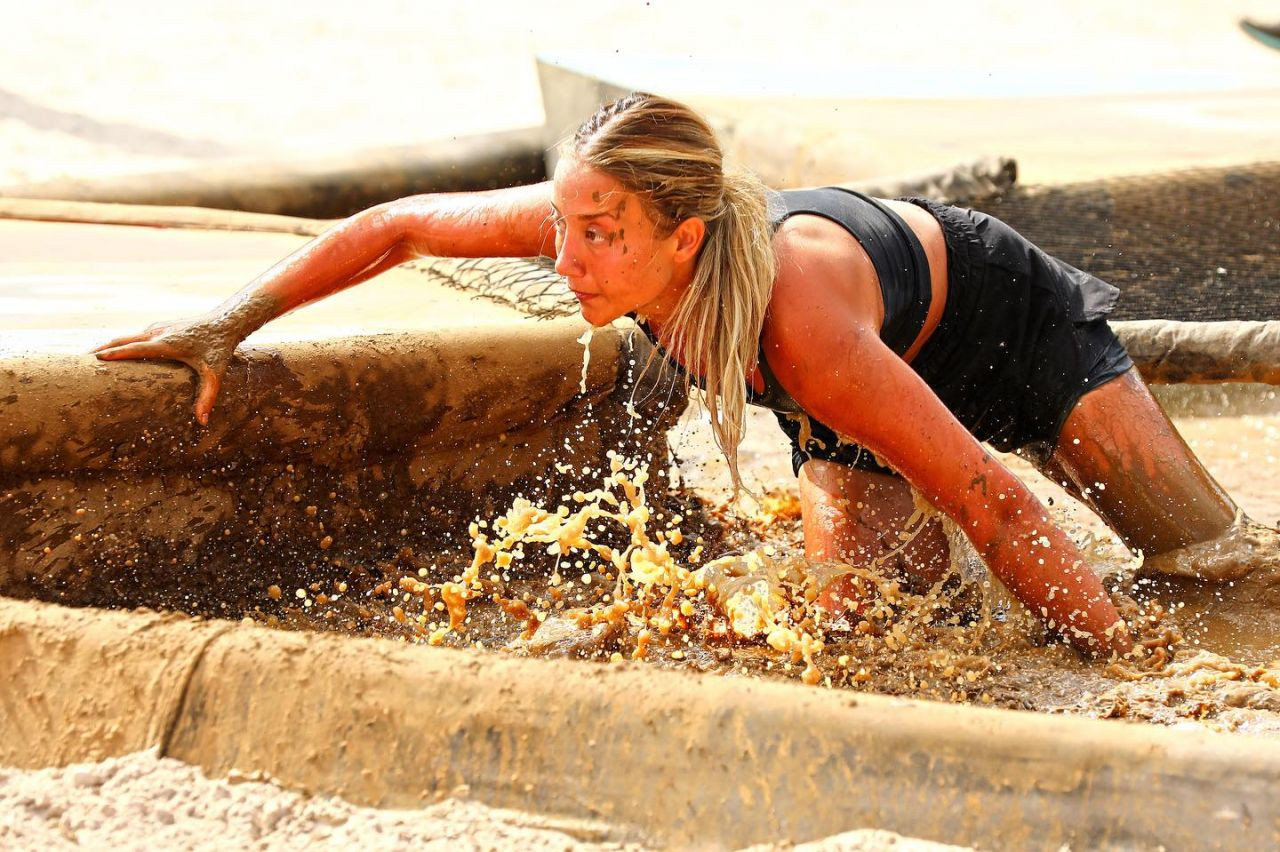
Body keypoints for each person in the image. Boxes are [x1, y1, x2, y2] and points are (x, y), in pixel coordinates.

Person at [94, 92, 1264, 658]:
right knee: (865, 628)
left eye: (597, 235)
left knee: (1202, 561)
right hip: (855, 381)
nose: (565, 259)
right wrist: (225, 323)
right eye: (562, 226)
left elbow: (992, 497)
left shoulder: (797, 324)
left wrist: (1129, 670)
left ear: (683, 238)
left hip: (1001, 318)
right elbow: (397, 227)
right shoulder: (593, 221)